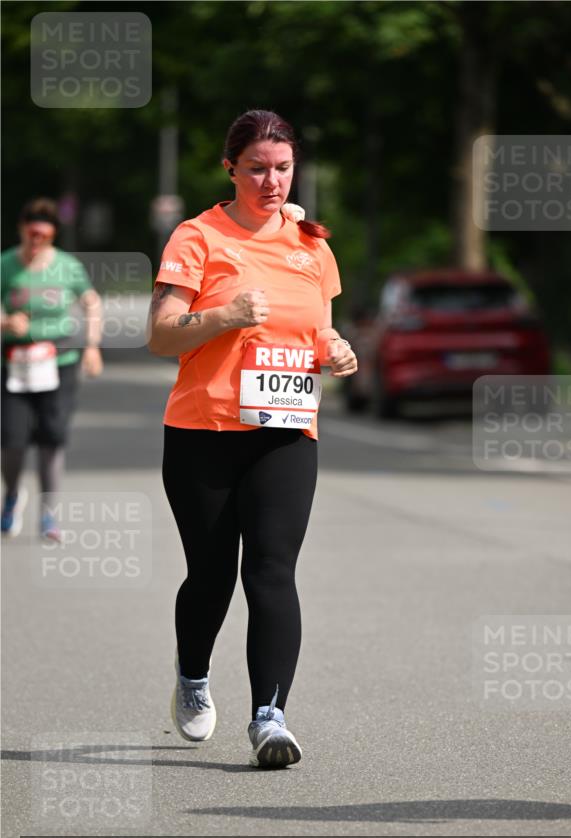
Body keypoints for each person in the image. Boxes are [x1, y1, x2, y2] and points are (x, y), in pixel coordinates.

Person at [149, 108, 357, 768]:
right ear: (230, 169)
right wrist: (225, 316)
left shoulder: (313, 247)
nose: (272, 182)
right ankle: (192, 677)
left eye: (284, 169)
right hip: (203, 430)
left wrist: (335, 350)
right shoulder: (197, 236)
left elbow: (316, 328)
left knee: (272, 570)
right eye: (258, 169)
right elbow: (160, 334)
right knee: (210, 577)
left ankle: (270, 717)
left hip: (286, 431)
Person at [1, 197, 103, 540]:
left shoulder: (66, 266)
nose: (36, 242)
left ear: (53, 235)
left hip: (58, 362)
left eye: (43, 236)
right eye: (31, 234)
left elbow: (91, 303)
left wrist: (91, 347)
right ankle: (13, 495)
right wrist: (5, 321)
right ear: (21, 231)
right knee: (12, 438)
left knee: (52, 438)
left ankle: (48, 512)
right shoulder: (6, 265)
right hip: (13, 362)